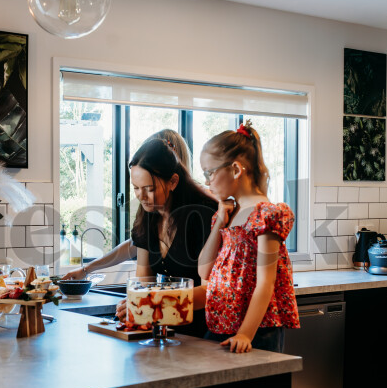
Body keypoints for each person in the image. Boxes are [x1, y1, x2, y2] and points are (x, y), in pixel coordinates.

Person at [197, 123, 300, 353]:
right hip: (223, 324)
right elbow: (204, 271)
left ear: (235, 169)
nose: (207, 181)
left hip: (257, 331)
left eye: (209, 172)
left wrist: (245, 334)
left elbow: (266, 282)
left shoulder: (266, 214)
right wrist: (218, 225)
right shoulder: (227, 215)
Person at [114, 138, 218, 337]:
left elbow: (208, 291)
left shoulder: (203, 215)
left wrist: (152, 300)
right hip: (164, 329)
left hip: (202, 334)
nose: (141, 196)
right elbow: (143, 280)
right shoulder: (146, 215)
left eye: (149, 189)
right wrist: (136, 304)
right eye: (136, 187)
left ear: (173, 182)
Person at [61, 129, 196, 281]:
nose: (142, 195)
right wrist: (87, 269)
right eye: (137, 188)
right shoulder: (151, 210)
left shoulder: (197, 213)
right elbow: (137, 244)